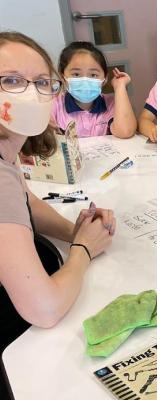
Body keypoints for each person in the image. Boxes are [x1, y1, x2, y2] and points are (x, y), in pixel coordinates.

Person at [0, 33, 114, 392]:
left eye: (41, 82)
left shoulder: (7, 152)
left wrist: (73, 230)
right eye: (11, 81)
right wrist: (83, 251)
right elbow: (44, 308)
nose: (30, 94)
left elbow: (26, 203)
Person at [52, 41, 136, 138]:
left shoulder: (112, 103)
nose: (85, 81)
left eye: (93, 75)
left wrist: (120, 87)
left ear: (105, 79)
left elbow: (125, 131)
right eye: (76, 74)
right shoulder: (54, 104)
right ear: (63, 77)